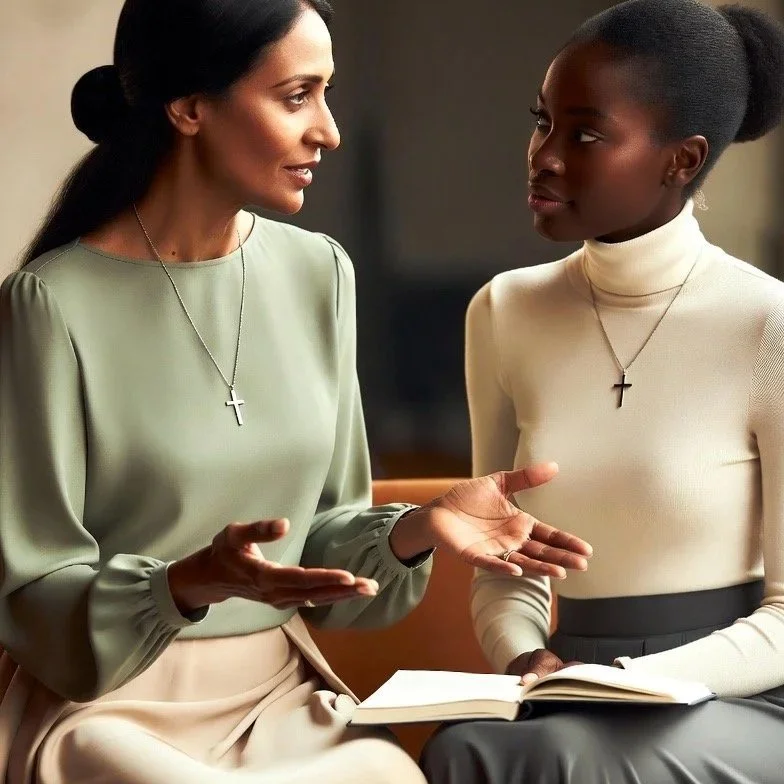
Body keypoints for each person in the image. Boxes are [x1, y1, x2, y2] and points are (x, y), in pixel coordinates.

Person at [0, 2, 594, 783]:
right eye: (295, 96)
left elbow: (330, 550)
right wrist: (187, 581)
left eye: (328, 93)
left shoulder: (319, 272)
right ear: (189, 108)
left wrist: (422, 527)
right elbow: (32, 590)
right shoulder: (50, 303)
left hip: (278, 698)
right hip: (111, 709)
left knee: (388, 774)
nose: (329, 130)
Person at [419, 1, 784, 782]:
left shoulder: (767, 324)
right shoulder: (503, 310)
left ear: (680, 160)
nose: (543, 156)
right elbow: (503, 560)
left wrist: (633, 685)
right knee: (465, 750)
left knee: (551, 760)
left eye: (584, 134)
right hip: (566, 693)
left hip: (741, 696)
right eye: (541, 122)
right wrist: (527, 658)